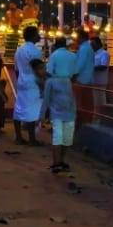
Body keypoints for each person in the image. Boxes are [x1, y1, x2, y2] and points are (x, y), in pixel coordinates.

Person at [39, 36, 77, 173]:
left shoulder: (51, 79)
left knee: (58, 136)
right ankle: (61, 161)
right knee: (67, 138)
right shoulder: (73, 57)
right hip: (70, 109)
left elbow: (46, 100)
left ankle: (57, 162)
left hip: (57, 111)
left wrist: (42, 115)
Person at [13, 25, 44, 146]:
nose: (39, 36)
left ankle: (18, 137)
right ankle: (32, 139)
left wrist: (20, 79)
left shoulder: (19, 50)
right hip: (33, 82)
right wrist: (42, 83)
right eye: (37, 34)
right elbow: (39, 70)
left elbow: (16, 69)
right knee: (32, 110)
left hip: (21, 80)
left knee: (19, 108)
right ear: (32, 36)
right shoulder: (35, 51)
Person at [73, 29, 95, 125]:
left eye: (77, 37)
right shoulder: (87, 47)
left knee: (81, 104)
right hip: (87, 79)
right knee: (87, 103)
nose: (76, 39)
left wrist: (73, 76)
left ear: (81, 37)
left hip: (82, 80)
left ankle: (83, 123)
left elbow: (79, 65)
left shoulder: (84, 48)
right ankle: (87, 122)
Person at [92, 36, 110, 116]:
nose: (91, 46)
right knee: (95, 100)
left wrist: (90, 68)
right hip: (94, 80)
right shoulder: (93, 54)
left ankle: (103, 116)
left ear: (98, 44)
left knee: (101, 99)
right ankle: (96, 116)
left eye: (92, 44)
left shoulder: (104, 53)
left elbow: (103, 66)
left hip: (101, 80)